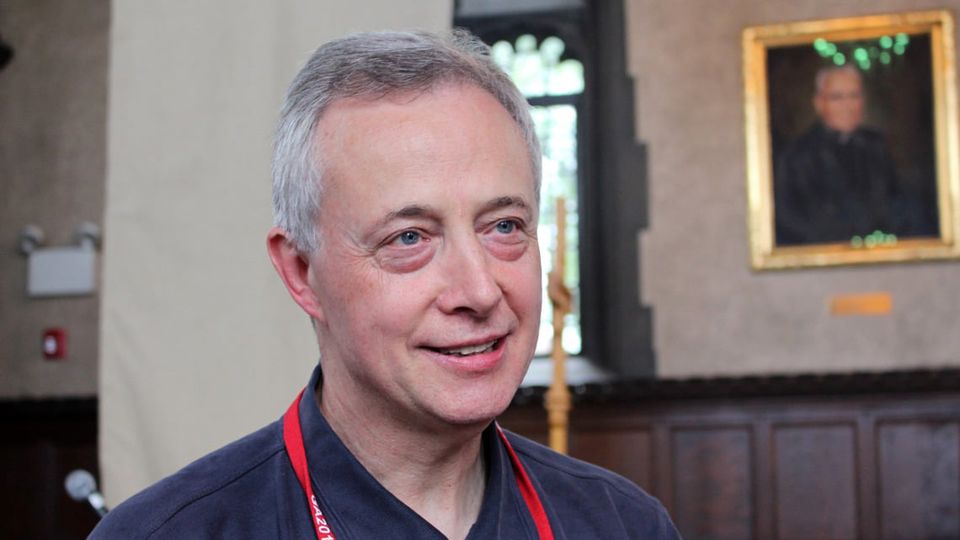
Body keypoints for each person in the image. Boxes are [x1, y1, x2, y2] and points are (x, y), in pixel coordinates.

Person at [90, 30, 680, 539]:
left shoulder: (624, 524)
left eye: (503, 226)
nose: (479, 291)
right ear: (301, 273)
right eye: (409, 238)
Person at [774, 64, 926, 246]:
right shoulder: (797, 156)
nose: (848, 106)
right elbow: (791, 222)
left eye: (854, 96)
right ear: (819, 103)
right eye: (837, 97)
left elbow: (900, 207)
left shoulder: (877, 146)